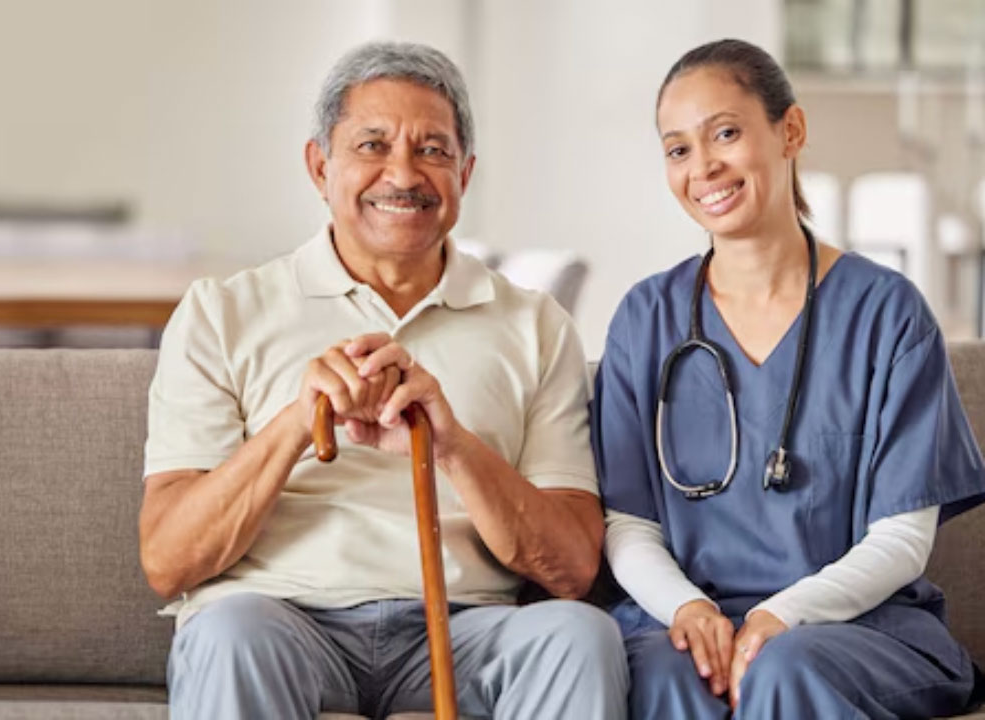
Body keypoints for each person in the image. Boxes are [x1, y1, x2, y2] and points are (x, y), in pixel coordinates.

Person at [140, 41, 628, 720]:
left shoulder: (535, 325)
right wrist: (297, 424)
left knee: (578, 637)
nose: (403, 174)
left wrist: (454, 445)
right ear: (320, 165)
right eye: (372, 145)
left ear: (466, 171)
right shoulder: (222, 311)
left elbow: (572, 566)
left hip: (462, 629)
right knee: (229, 634)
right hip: (280, 620)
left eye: (432, 149)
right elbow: (167, 559)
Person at [592, 37, 985, 718]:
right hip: (686, 621)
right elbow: (630, 522)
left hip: (855, 628)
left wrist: (783, 614)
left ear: (790, 131)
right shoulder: (644, 319)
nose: (704, 166)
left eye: (726, 133)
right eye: (678, 149)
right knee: (662, 675)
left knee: (785, 667)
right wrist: (686, 607)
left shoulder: (885, 313)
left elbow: (901, 538)